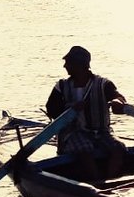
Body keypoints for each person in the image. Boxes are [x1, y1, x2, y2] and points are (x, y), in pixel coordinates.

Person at [45, 45, 127, 184]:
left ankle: (111, 180)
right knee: (84, 150)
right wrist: (70, 109)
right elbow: (51, 110)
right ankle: (96, 183)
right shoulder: (61, 86)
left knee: (119, 148)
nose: (65, 66)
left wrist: (117, 102)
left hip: (101, 132)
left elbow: (118, 97)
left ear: (79, 65)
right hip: (72, 133)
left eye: (68, 62)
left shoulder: (102, 84)